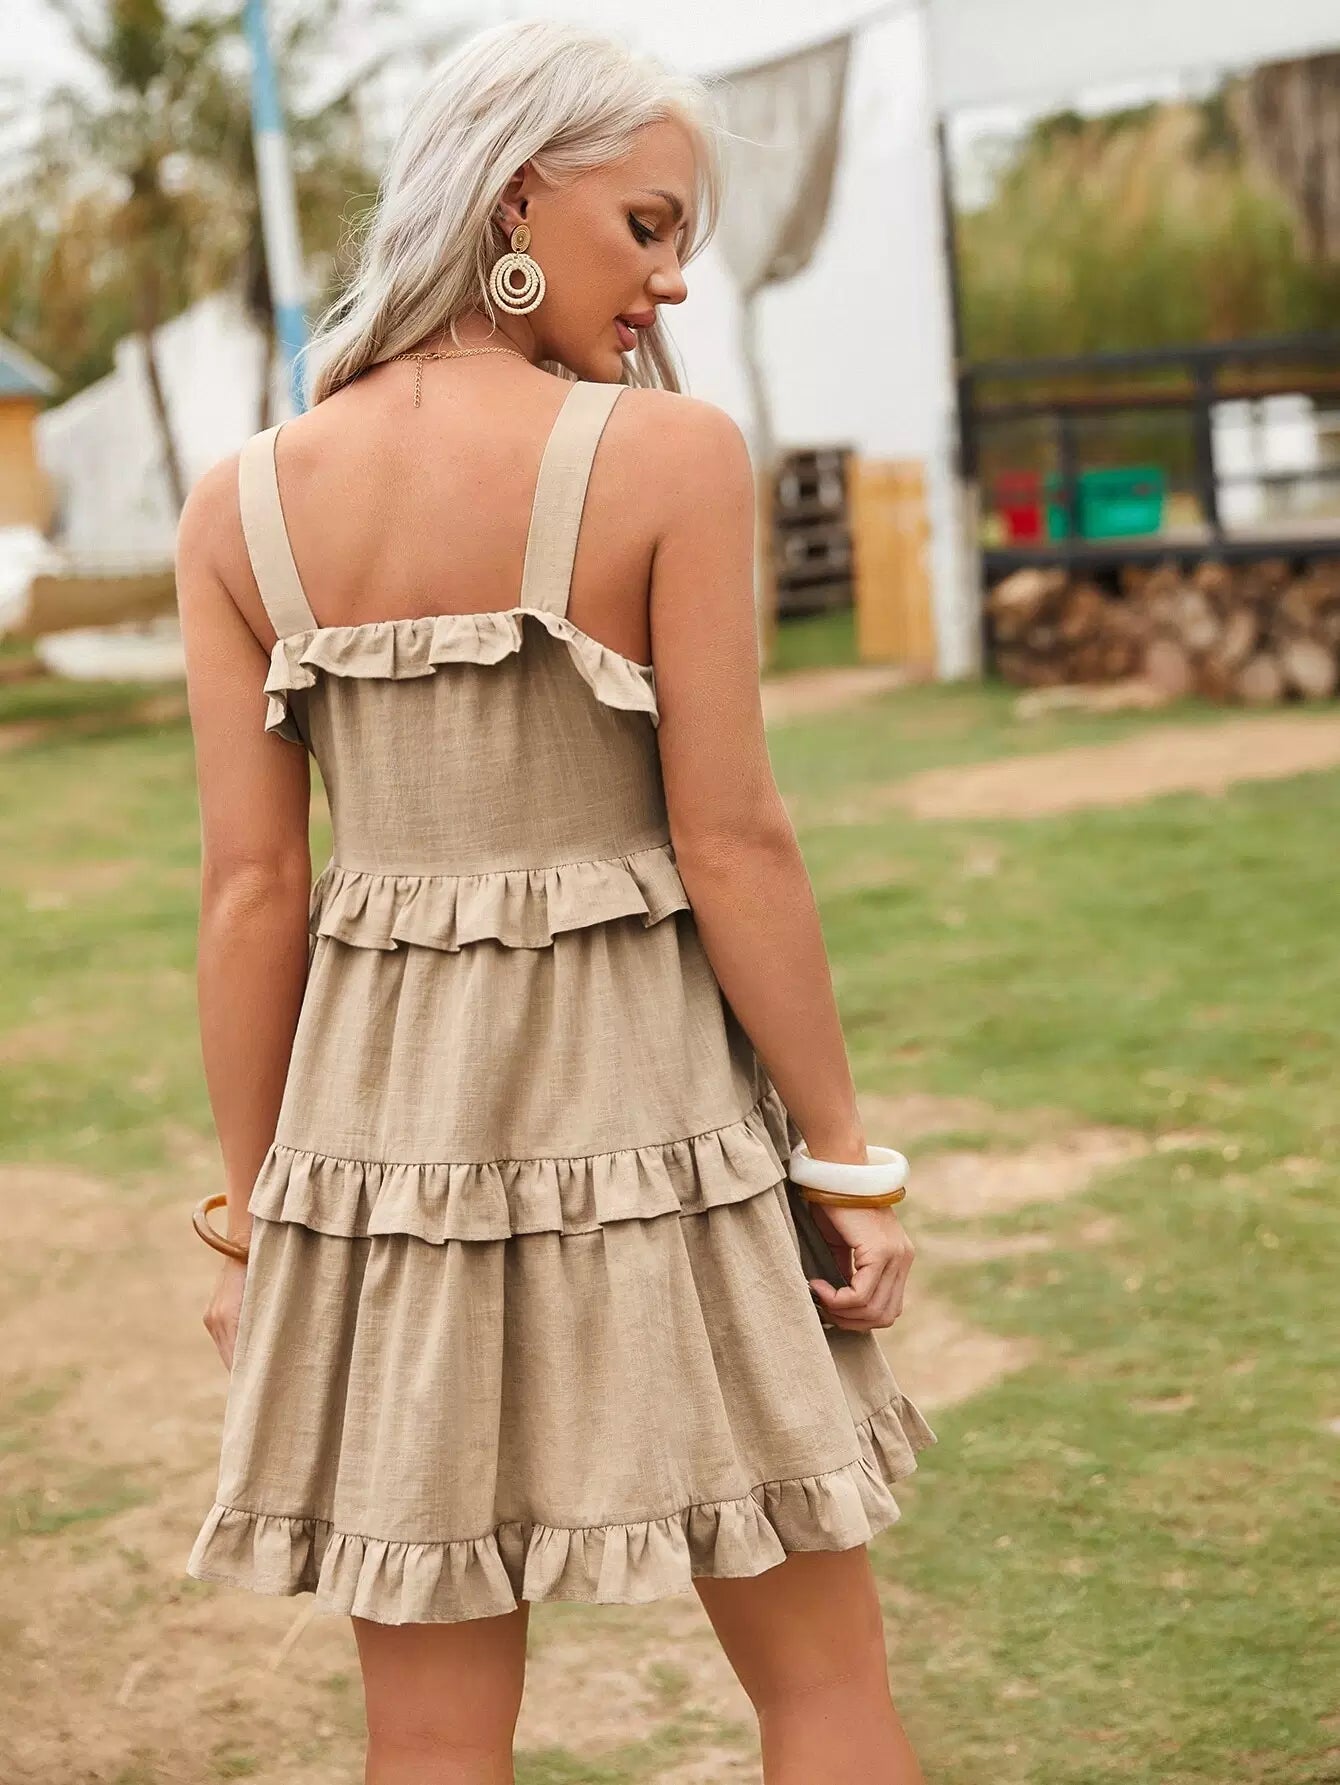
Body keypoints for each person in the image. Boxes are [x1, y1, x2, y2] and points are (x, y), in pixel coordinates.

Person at [176, 18, 935, 1784]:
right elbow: (734, 839)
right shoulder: (668, 458)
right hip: (663, 1127)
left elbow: (251, 889)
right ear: (518, 195)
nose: (670, 283)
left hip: (385, 1154)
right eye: (648, 226)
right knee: (824, 1686)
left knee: (431, 1737)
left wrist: (259, 1221)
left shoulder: (242, 506)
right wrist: (845, 1158)